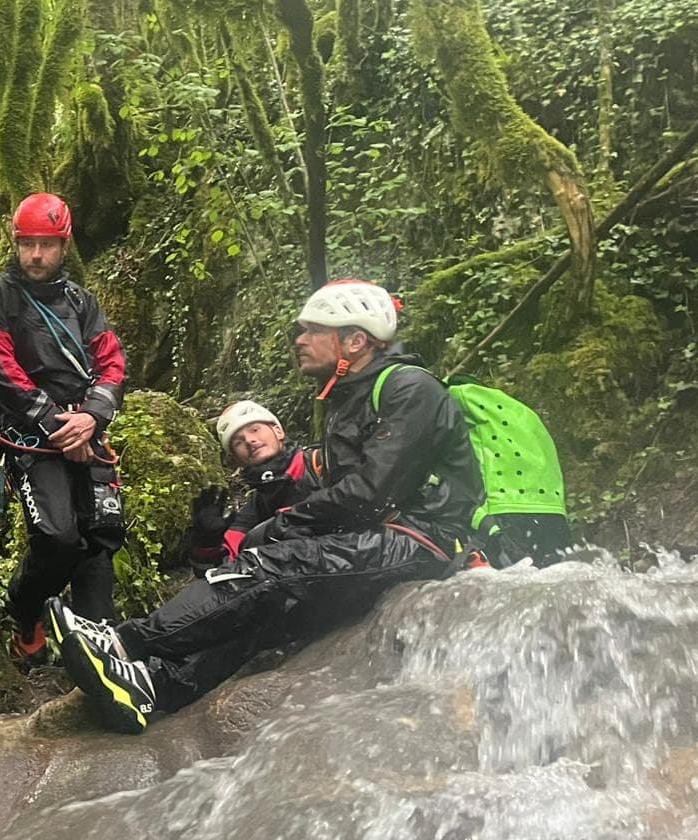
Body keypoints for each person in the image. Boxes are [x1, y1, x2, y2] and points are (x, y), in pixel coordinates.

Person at [48, 279, 485, 734]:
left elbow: (373, 493)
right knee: (263, 609)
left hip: (420, 541)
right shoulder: (348, 401)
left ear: (354, 341)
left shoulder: (409, 388)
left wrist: (280, 528)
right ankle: (153, 686)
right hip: (384, 541)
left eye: (312, 330)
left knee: (271, 566)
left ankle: (123, 642)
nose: (298, 340)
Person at [0, 192, 127, 663]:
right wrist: (57, 425)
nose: (36, 255)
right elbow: (0, 366)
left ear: (64, 247)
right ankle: (25, 613)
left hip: (84, 427)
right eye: (27, 244)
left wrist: (90, 418)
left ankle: (98, 640)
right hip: (30, 435)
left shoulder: (81, 301)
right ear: (15, 244)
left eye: (46, 244)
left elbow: (112, 363)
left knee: (101, 533)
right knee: (59, 536)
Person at [187, 399, 324, 572]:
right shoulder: (257, 506)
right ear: (235, 458)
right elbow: (218, 570)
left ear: (278, 431)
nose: (250, 440)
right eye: (238, 441)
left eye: (255, 429)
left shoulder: (321, 464)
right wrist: (207, 543)